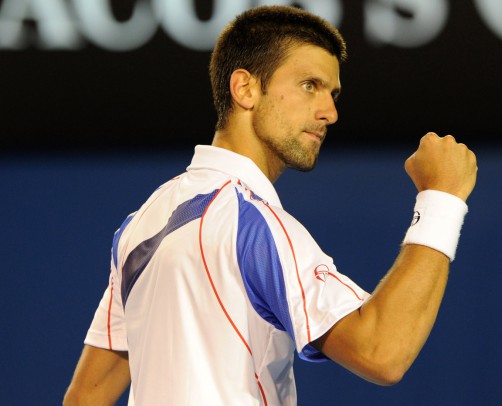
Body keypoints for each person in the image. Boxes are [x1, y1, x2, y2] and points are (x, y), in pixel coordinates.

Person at [64, 5, 477, 405]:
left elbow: (87, 396)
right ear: (245, 88)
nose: (330, 112)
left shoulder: (143, 221)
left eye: (332, 93)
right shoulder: (251, 223)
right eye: (308, 85)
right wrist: (441, 198)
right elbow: (382, 352)